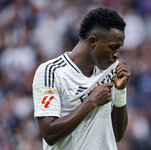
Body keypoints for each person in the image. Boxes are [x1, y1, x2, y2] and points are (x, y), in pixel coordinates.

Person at [32, 7, 131, 150]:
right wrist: (91, 101)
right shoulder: (51, 71)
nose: (117, 55)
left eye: (119, 47)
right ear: (92, 42)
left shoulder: (112, 71)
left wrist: (120, 91)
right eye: (113, 47)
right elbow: (49, 133)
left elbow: (117, 135)